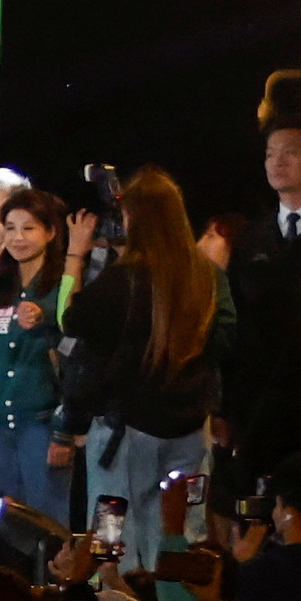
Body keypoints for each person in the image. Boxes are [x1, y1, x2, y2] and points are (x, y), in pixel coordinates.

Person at [55, 164, 230, 572]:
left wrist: (75, 257)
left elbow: (69, 319)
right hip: (191, 435)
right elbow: (225, 338)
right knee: (184, 533)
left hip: (126, 434)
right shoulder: (206, 276)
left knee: (112, 536)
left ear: (137, 218)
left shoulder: (124, 278)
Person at [222, 116, 301, 485]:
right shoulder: (252, 237)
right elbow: (233, 325)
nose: (277, 163)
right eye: (270, 154)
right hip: (259, 407)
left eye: (290, 153)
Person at [0, 180, 68, 527]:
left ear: (51, 232)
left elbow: (78, 363)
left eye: (28, 228)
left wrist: (65, 432)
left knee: (45, 525)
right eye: (10, 228)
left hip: (40, 428)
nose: (18, 238)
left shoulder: (62, 291)